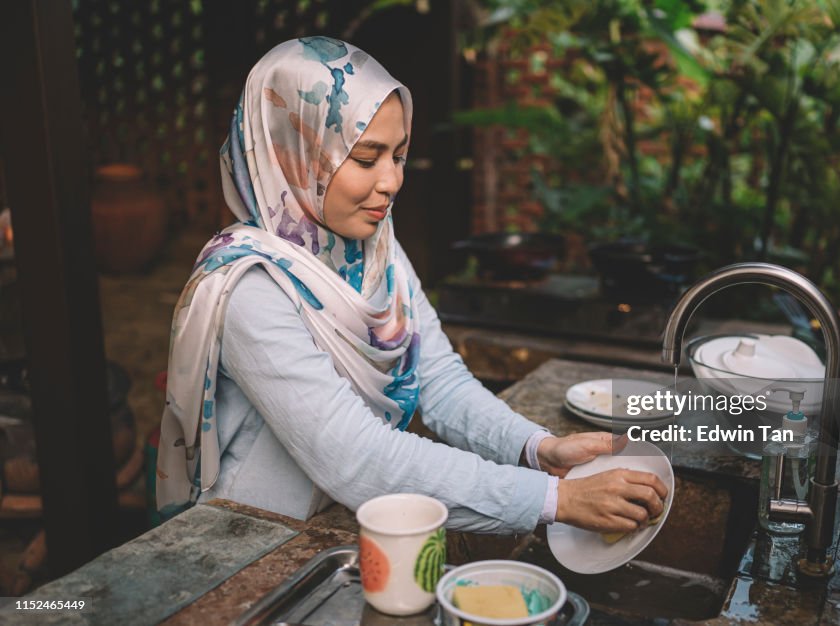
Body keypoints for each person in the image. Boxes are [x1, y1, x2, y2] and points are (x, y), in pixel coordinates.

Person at [155, 37, 667, 535]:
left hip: (351, 521)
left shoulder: (375, 251)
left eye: (397, 155)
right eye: (365, 157)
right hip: (256, 536)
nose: (392, 182)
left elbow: (440, 382)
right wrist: (555, 500)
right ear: (293, 154)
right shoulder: (251, 287)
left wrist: (536, 448)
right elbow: (354, 456)